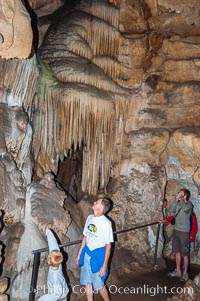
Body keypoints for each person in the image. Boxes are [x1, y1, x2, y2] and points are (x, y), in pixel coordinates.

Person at [75, 196, 114, 301]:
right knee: (87, 283)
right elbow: (85, 237)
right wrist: (79, 254)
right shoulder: (89, 218)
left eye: (97, 202)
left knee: (99, 286)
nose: (95, 202)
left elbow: (108, 246)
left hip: (98, 258)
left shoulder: (106, 223)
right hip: (87, 254)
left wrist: (104, 266)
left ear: (101, 207)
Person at [167, 188, 193, 282]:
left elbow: (185, 209)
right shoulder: (178, 203)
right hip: (176, 230)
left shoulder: (189, 205)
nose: (178, 194)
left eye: (181, 193)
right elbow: (170, 210)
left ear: (185, 195)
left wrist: (180, 199)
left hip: (184, 232)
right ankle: (178, 270)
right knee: (177, 252)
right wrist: (175, 201)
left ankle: (185, 273)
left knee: (184, 254)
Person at [38, 228, 68, 301]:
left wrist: (41, 299)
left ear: (48, 262)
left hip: (59, 298)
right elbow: (54, 247)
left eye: (49, 255)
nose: (49, 254)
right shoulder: (58, 263)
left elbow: (55, 295)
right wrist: (48, 232)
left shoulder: (55, 278)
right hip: (62, 293)